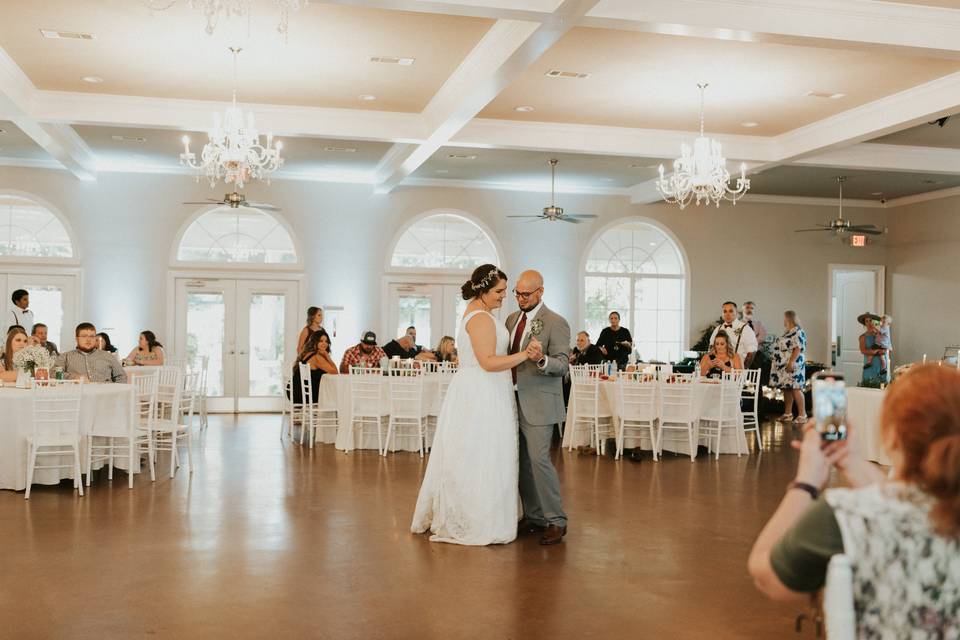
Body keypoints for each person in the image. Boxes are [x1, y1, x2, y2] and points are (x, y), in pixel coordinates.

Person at [748, 365, 960, 637]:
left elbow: (767, 576)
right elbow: (909, 510)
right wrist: (852, 462)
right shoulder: (933, 509)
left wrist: (806, 482)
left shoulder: (846, 514)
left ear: (892, 437)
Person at [412, 264, 540, 546]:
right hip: (482, 392)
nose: (503, 296)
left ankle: (476, 510)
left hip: (481, 389)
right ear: (482, 290)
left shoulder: (478, 313)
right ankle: (475, 517)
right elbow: (488, 362)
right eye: (499, 291)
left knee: (479, 452)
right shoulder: (480, 318)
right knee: (482, 452)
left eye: (505, 291)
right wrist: (523, 356)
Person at [508, 270, 572, 545]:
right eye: (517, 293)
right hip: (511, 400)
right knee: (521, 461)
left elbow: (562, 364)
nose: (520, 299)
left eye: (526, 294)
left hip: (540, 402)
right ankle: (534, 516)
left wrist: (542, 359)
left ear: (540, 292)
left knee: (539, 460)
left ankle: (556, 520)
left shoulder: (556, 322)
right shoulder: (512, 320)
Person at [55, 323, 127, 383]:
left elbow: (121, 376)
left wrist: (115, 393)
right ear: (77, 339)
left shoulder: (107, 356)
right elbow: (53, 373)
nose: (88, 339)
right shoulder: (65, 356)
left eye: (92, 336)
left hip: (105, 396)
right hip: (79, 396)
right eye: (84, 336)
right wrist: (74, 377)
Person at [770, 311, 807, 423]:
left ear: (789, 318)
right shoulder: (788, 332)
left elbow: (798, 348)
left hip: (793, 364)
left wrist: (791, 362)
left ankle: (802, 415)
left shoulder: (798, 331)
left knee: (796, 388)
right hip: (783, 367)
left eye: (784, 318)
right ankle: (788, 414)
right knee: (787, 388)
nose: (783, 320)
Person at [290, 329, 338, 403]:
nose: (324, 343)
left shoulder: (308, 353)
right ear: (315, 342)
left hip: (295, 391)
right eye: (321, 341)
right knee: (333, 391)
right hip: (302, 394)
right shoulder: (317, 357)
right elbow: (335, 371)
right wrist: (327, 356)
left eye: (326, 341)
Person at [709, 301, 758, 367]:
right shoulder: (718, 329)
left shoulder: (745, 329)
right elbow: (711, 347)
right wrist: (715, 364)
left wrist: (743, 370)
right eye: (725, 311)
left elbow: (752, 351)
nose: (727, 314)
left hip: (737, 368)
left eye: (731, 311)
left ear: (736, 313)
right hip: (719, 368)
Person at [858, 312, 884, 383]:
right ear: (864, 323)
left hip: (879, 364)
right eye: (867, 321)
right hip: (869, 365)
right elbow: (862, 350)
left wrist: (882, 351)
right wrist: (873, 352)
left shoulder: (879, 335)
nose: (869, 323)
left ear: (874, 322)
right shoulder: (863, 337)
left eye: (870, 320)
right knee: (868, 385)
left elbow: (885, 348)